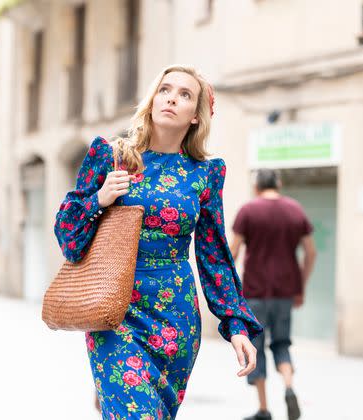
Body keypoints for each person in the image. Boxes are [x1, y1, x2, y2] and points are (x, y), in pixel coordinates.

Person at [54, 65, 263, 419]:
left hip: (175, 319)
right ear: (152, 100)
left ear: (196, 117)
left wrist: (236, 324)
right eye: (165, 89)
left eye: (185, 95)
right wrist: (99, 200)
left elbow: (214, 254)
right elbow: (67, 236)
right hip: (113, 310)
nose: (172, 98)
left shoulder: (206, 173)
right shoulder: (111, 156)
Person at [229, 169, 316, 420]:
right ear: (279, 184)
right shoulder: (295, 210)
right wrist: (300, 285)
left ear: (256, 186)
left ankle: (264, 409)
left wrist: (228, 291)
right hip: (285, 291)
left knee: (255, 348)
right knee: (282, 343)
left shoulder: (248, 211)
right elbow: (311, 252)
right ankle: (289, 387)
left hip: (254, 292)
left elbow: (232, 252)